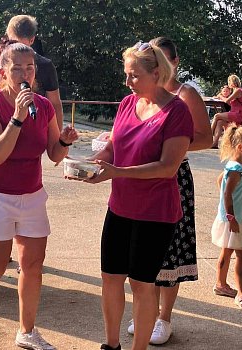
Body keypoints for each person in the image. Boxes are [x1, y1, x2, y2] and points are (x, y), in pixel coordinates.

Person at [0, 42, 78, 350]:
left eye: (30, 68)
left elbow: (53, 155)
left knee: (33, 265)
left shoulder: (44, 106)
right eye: (17, 69)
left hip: (31, 193)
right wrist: (18, 118)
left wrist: (64, 141)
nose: (25, 74)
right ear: (3, 72)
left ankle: (26, 331)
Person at [86, 41, 194, 350]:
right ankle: (111, 344)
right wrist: (94, 163)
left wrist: (117, 172)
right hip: (120, 206)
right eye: (126, 74)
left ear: (156, 72)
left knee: (142, 284)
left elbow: (167, 167)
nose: (127, 82)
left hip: (156, 213)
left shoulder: (177, 111)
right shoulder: (126, 104)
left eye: (133, 75)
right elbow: (114, 147)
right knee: (110, 277)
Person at [126, 36, 213, 345]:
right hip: (140, 177)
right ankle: (145, 312)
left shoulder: (185, 94)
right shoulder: (141, 95)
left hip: (174, 175)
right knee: (143, 248)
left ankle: (164, 317)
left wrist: (172, 144)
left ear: (174, 63)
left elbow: (205, 138)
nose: (156, 66)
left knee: (170, 248)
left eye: (161, 60)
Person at [0, 15, 64, 131]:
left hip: (34, 127)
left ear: (32, 40)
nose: (17, 52)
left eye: (29, 68)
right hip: (2, 126)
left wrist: (57, 140)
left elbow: (55, 103)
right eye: (16, 68)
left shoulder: (45, 65)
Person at [211, 123, 242, 308]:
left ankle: (221, 284)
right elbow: (226, 192)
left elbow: (220, 180)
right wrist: (231, 216)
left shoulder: (232, 166)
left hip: (230, 218)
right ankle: (240, 292)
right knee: (240, 255)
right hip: (235, 220)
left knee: (226, 251)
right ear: (240, 147)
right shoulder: (237, 169)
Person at [211, 74, 242, 148]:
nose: (228, 84)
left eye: (229, 82)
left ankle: (208, 134)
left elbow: (227, 100)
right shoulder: (235, 91)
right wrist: (220, 97)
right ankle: (215, 143)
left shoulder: (238, 90)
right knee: (219, 122)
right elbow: (230, 103)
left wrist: (220, 96)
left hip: (238, 115)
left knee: (217, 116)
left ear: (232, 82)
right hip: (234, 113)